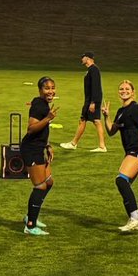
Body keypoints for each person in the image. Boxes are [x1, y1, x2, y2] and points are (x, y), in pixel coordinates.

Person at [102, 80, 138, 231]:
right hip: (130, 151)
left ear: (133, 92)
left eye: (127, 89)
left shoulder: (136, 109)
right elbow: (111, 131)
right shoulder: (121, 112)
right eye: (121, 89)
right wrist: (106, 116)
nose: (124, 91)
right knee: (124, 185)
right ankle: (134, 218)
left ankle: (135, 217)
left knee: (121, 180)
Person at [21, 76, 57, 236]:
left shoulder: (44, 104)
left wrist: (47, 145)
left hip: (39, 148)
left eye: (52, 88)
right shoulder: (38, 105)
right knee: (40, 186)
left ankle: (31, 216)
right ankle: (30, 225)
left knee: (49, 182)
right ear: (40, 90)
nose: (51, 91)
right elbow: (31, 128)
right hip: (31, 149)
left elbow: (43, 130)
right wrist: (48, 118)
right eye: (47, 88)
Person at [60, 53, 107, 152]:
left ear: (88, 58)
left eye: (83, 57)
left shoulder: (93, 70)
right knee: (85, 120)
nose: (81, 59)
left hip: (92, 101)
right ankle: (74, 143)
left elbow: (96, 86)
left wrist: (93, 102)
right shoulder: (91, 70)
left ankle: (101, 146)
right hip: (90, 100)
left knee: (95, 121)